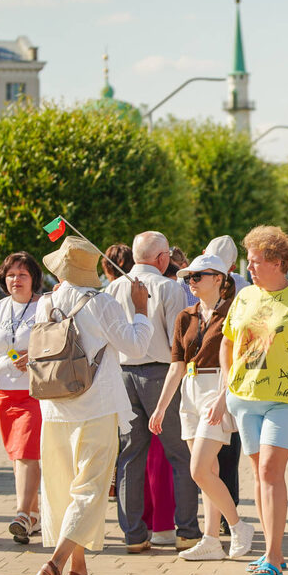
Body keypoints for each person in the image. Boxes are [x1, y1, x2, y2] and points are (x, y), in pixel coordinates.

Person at [27, 237, 153, 575]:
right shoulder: (101, 302)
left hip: (53, 406)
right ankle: (53, 566)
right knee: (90, 491)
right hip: (95, 406)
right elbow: (136, 347)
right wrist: (140, 310)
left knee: (64, 492)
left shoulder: (45, 302)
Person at [221, 225, 288, 575]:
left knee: (269, 470)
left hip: (287, 400)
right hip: (244, 398)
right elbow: (227, 342)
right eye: (248, 261)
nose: (249, 267)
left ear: (278, 262)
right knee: (260, 474)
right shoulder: (244, 297)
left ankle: (274, 554)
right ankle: (272, 552)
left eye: (255, 261)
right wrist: (228, 384)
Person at [149, 253, 255, 561]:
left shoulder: (234, 314)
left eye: (198, 276)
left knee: (198, 469)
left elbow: (240, 361)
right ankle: (211, 539)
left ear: (219, 279)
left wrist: (224, 397)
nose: (191, 281)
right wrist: (160, 407)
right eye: (188, 277)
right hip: (190, 391)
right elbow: (176, 366)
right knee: (208, 468)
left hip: (218, 387)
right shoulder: (186, 316)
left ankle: (236, 525)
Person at [106, 231, 201, 554]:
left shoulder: (113, 287)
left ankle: (133, 535)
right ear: (162, 259)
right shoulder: (168, 287)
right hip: (161, 373)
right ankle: (187, 530)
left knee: (130, 456)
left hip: (122, 373)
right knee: (180, 453)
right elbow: (179, 339)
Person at [0, 252, 45, 544]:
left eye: (22, 275)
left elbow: (61, 343)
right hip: (3, 390)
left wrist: (36, 355)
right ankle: (33, 516)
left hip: (35, 391)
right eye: (11, 275)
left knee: (26, 452)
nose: (16, 280)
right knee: (15, 456)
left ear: (33, 279)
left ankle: (20, 513)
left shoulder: (44, 306)